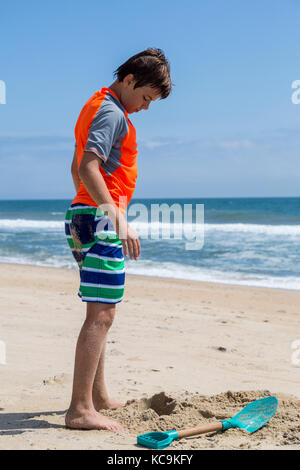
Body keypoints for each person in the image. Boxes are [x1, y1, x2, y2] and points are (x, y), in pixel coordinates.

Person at [64, 48, 172, 431]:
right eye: (145, 98)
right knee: (103, 315)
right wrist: (114, 216)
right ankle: (80, 409)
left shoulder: (97, 104)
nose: (145, 108)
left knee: (100, 309)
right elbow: (90, 164)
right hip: (98, 219)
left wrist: (85, 206)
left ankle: (98, 396)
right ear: (128, 80)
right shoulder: (111, 111)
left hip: (83, 217)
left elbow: (76, 165)